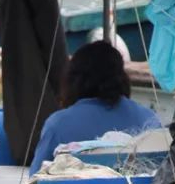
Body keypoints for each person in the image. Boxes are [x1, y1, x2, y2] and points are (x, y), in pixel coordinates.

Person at [28, 40, 163, 175]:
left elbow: (35, 181)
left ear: (73, 80)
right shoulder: (148, 119)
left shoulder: (58, 124)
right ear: (122, 77)